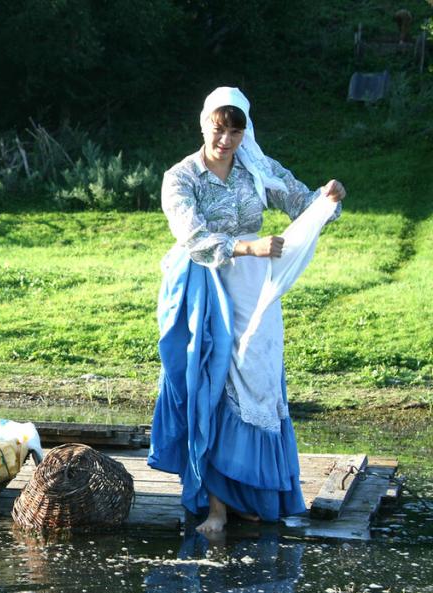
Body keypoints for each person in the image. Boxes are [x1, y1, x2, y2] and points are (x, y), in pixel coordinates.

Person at [148, 87, 346, 535]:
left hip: (255, 290)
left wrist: (328, 198)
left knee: (255, 380)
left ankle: (249, 495)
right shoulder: (181, 177)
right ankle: (216, 506)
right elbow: (191, 236)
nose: (227, 140)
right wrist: (247, 246)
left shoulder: (256, 169)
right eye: (220, 129)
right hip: (203, 284)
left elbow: (301, 201)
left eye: (236, 131)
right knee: (212, 380)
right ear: (204, 125)